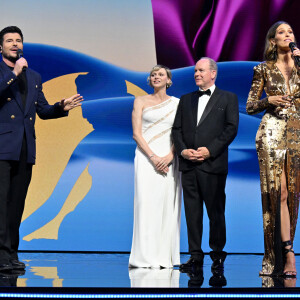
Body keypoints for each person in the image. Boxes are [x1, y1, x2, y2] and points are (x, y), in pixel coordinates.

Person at [0, 26, 83, 271]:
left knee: (16, 203)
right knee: (1, 203)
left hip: (25, 147)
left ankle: (11, 254)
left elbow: (42, 111)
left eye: (18, 41)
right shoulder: (7, 72)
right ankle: (1, 256)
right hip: (3, 147)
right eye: (9, 41)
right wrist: (13, 74)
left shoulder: (33, 76)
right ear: (1, 46)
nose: (15, 44)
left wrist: (61, 107)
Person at [172, 57, 239, 271]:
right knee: (192, 213)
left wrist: (210, 150)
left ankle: (217, 255)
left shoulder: (228, 98)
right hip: (189, 165)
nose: (196, 74)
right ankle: (195, 255)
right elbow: (177, 130)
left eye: (201, 70)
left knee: (215, 212)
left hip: (214, 165)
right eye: (195, 71)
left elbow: (231, 129)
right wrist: (183, 151)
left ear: (213, 73)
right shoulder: (185, 99)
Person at [246, 21, 300, 277]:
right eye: (282, 32)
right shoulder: (262, 69)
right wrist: (269, 100)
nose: (287, 35)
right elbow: (250, 106)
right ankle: (282, 255)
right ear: (273, 40)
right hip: (271, 132)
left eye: (290, 32)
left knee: (292, 195)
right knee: (276, 194)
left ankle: (286, 251)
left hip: (297, 133)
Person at [129, 65, 181, 268]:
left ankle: (164, 257)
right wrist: (152, 157)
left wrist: (169, 155)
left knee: (166, 205)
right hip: (145, 158)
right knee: (145, 203)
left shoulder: (177, 103)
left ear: (169, 80)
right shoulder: (140, 101)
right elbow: (136, 133)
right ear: (149, 80)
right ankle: (143, 257)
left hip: (169, 158)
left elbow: (179, 132)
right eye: (153, 75)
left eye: (161, 74)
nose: (156, 77)